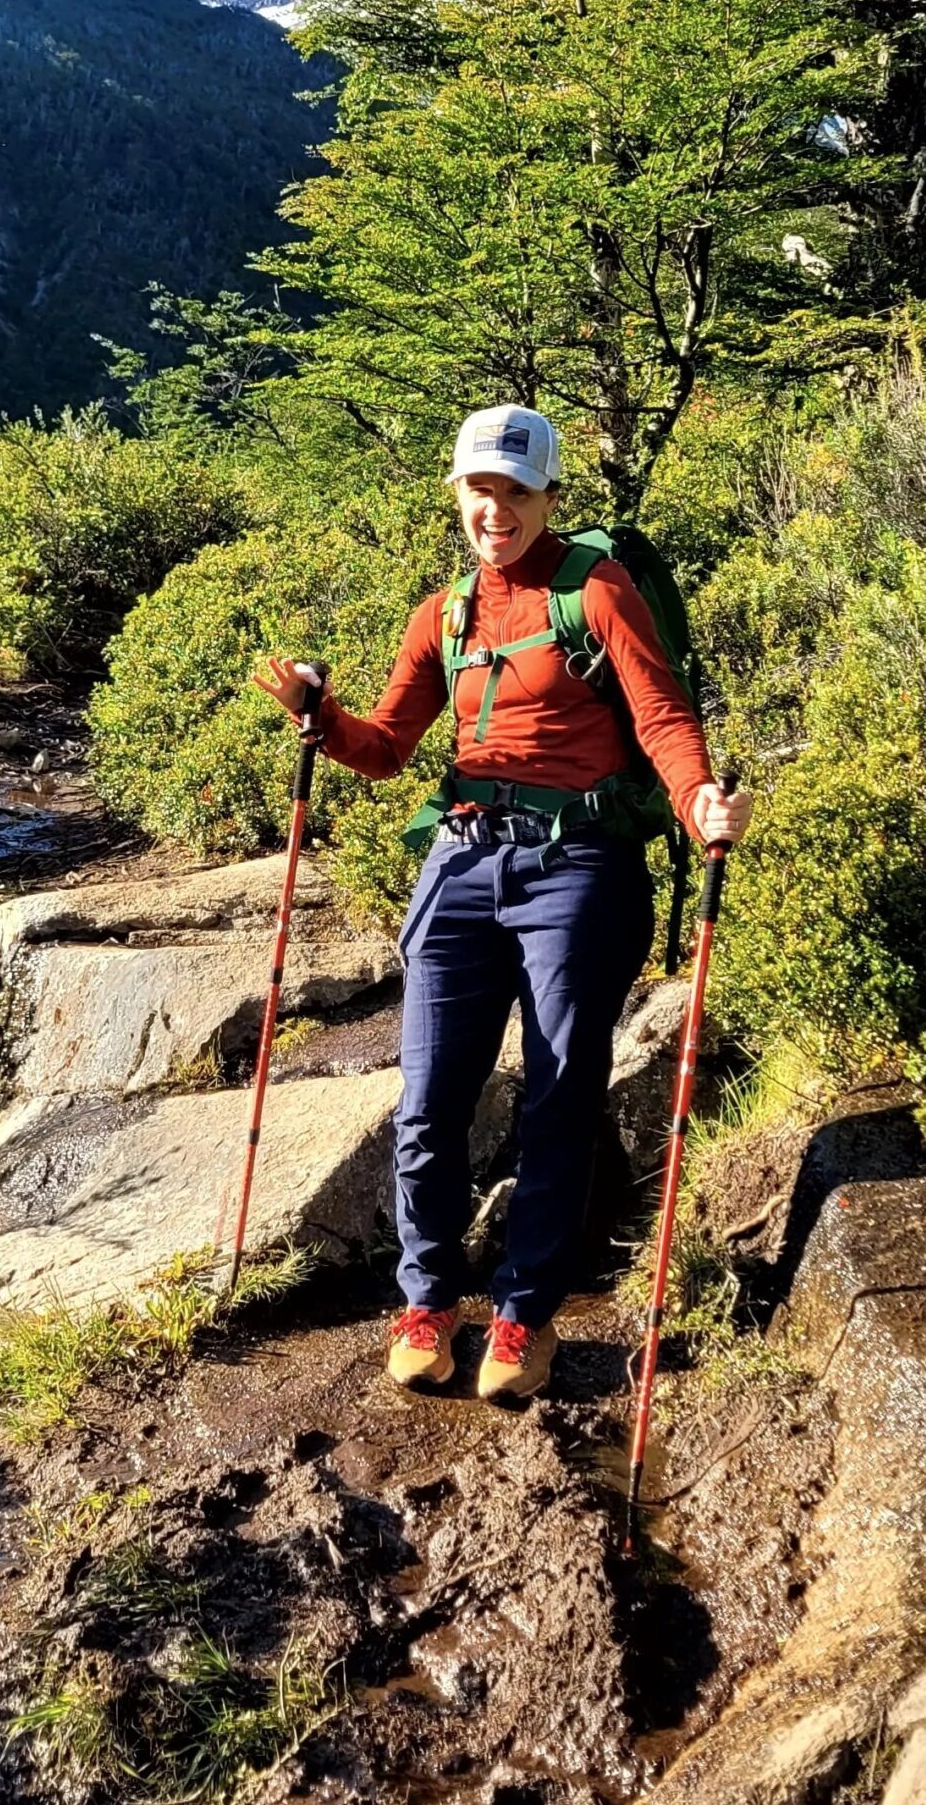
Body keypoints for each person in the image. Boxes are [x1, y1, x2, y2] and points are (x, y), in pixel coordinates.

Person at [254, 404, 752, 1404]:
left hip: (578, 868)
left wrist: (698, 799)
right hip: (463, 864)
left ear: (548, 498)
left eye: (515, 491)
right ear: (457, 495)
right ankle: (426, 1300)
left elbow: (657, 711)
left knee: (559, 1096)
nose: (495, 509)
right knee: (432, 1095)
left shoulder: (595, 589)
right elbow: (388, 749)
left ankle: (524, 1315)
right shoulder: (443, 614)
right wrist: (321, 717)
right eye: (478, 489)